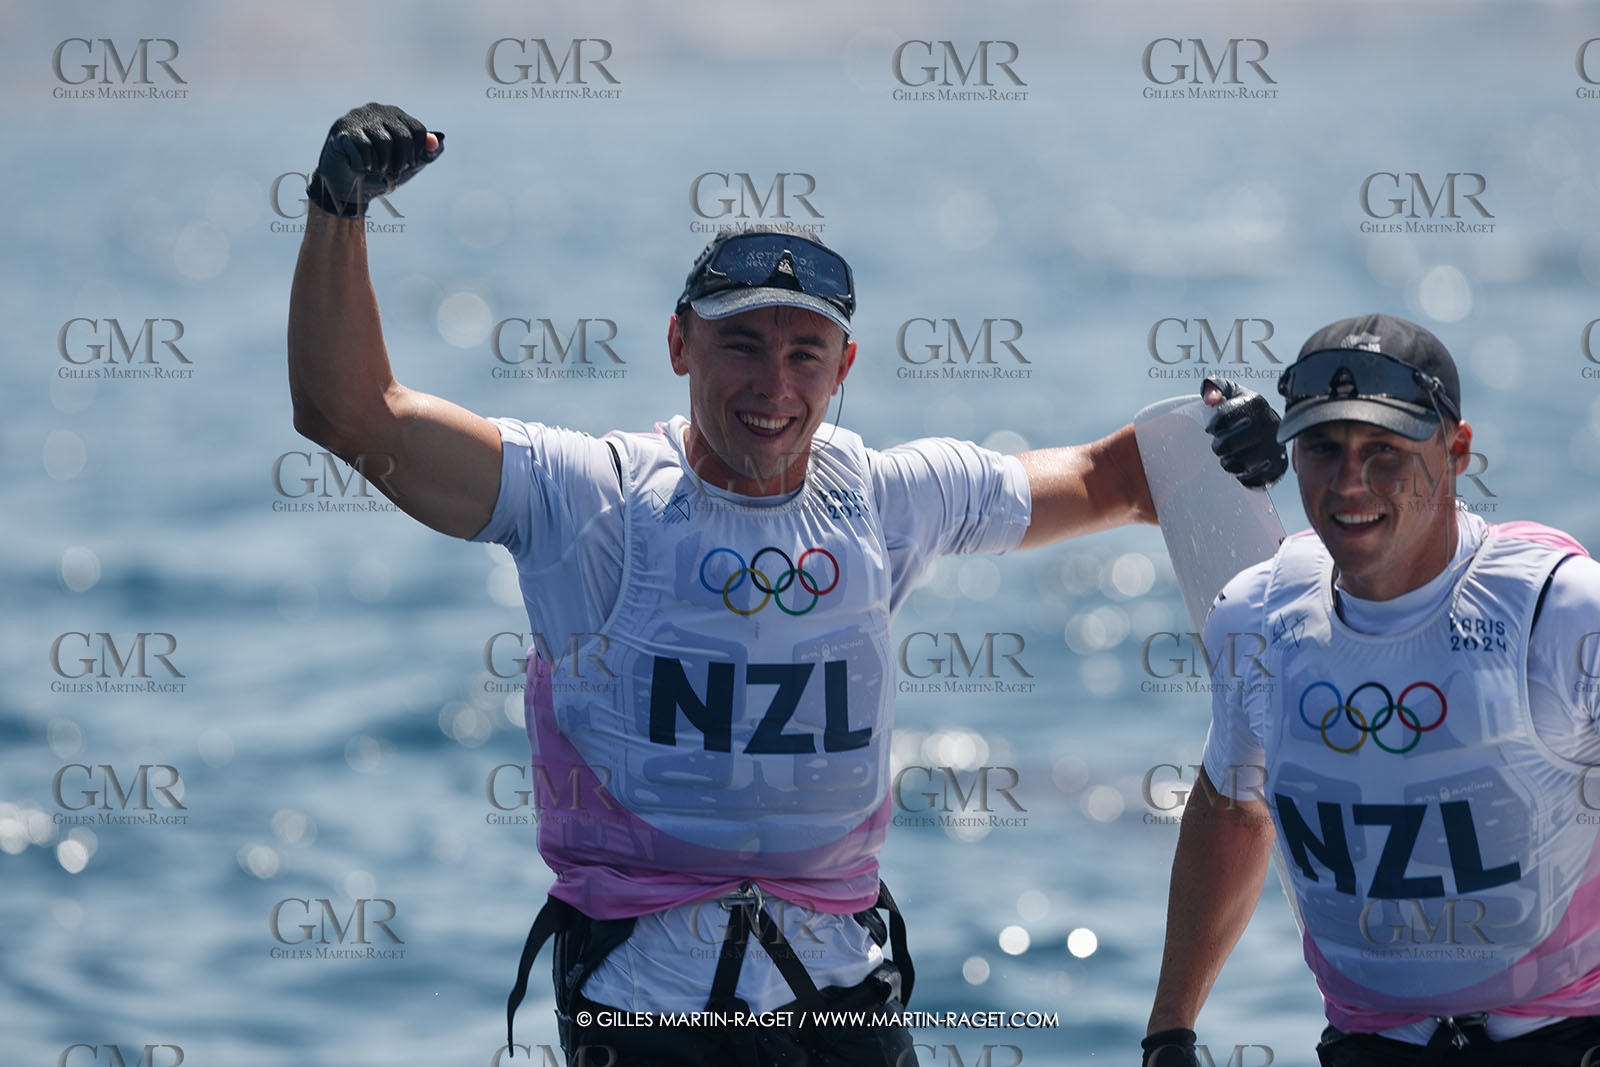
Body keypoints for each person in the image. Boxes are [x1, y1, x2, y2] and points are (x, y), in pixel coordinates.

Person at [286, 102, 1285, 1067]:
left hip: (843, 992)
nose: (774, 385)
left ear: (843, 365)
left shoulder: (888, 497)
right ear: (679, 344)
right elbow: (353, 416)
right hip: (644, 999)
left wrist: (1218, 440)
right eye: (741, 345)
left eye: (804, 352)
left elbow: (1114, 479)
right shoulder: (583, 497)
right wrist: (340, 209)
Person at [1142, 313, 1600, 1067]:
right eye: (1323, 447)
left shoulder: (1561, 610)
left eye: (1384, 450)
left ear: (1456, 451)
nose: (1350, 482)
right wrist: (1169, 1032)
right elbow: (1232, 808)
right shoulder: (1253, 616)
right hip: (1369, 1049)